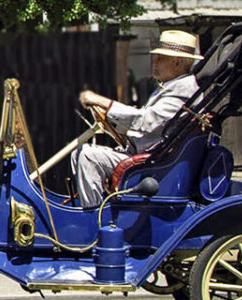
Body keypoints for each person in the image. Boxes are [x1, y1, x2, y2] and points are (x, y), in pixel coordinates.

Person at [71, 30, 203, 207]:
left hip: (151, 163)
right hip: (144, 153)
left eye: (160, 59)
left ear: (177, 62)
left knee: (88, 156)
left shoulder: (183, 91)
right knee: (78, 153)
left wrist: (104, 102)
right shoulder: (171, 86)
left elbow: (146, 120)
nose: (154, 63)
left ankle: (92, 216)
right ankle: (92, 205)